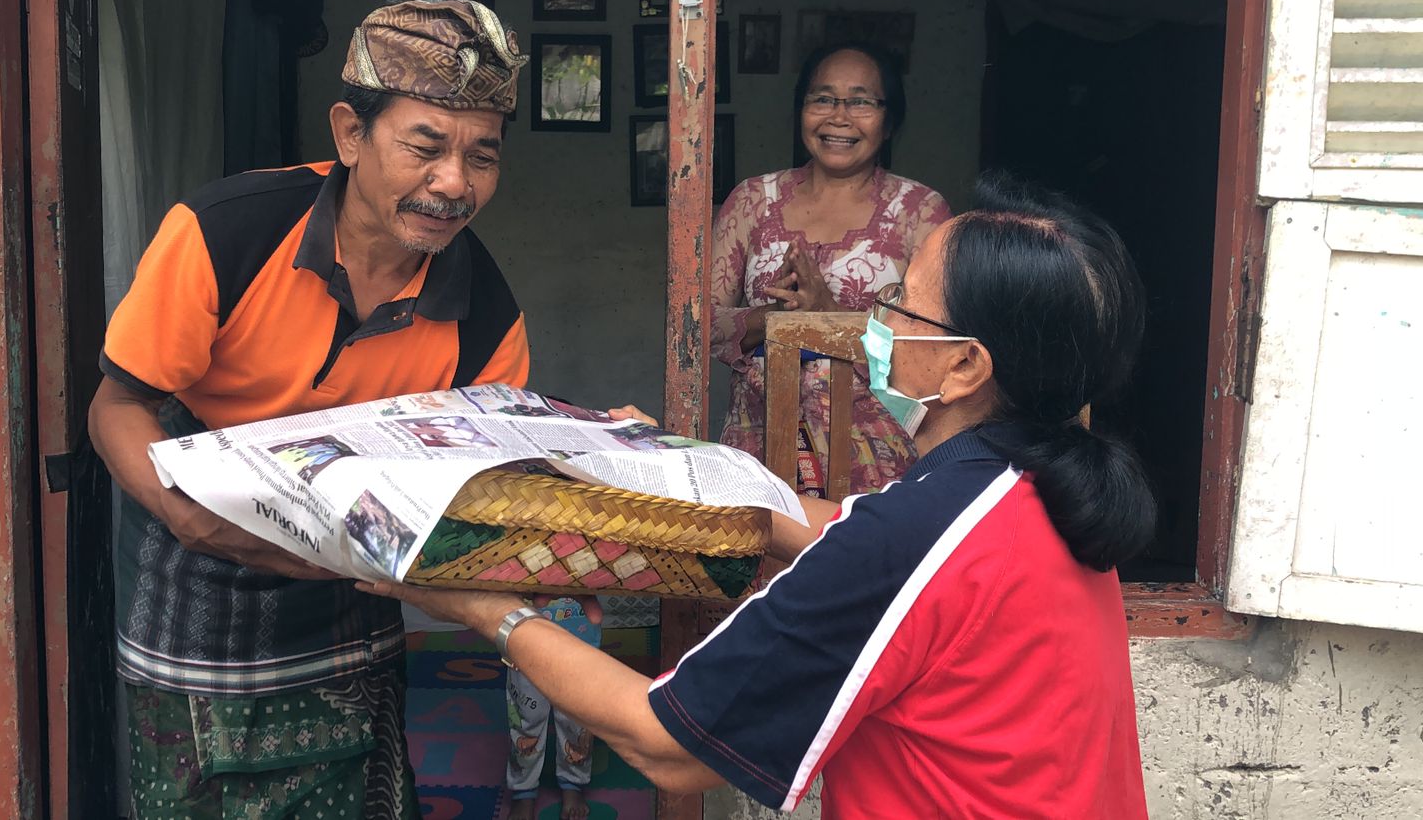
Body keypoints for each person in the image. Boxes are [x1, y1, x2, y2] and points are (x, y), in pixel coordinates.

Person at [363, 172, 1157, 818]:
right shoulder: (1037, 488)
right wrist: (665, 461)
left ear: (963, 368)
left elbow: (663, 744)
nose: (875, 322)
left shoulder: (918, 536)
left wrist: (480, 608)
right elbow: (840, 533)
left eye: (899, 304)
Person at [87, 0, 529, 819]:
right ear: (351, 134)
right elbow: (118, 406)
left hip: (348, 580)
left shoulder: (486, 316)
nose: (453, 185)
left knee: (355, 787)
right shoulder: (227, 233)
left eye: (483, 158)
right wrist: (182, 512)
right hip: (194, 564)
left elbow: (468, 483)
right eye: (425, 147)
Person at [712, 41, 951, 497]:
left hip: (873, 461)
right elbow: (697, 328)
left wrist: (828, 313)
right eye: (822, 98)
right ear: (800, 109)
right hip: (759, 448)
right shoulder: (752, 201)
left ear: (890, 118)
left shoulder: (920, 213)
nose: (839, 117)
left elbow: (936, 349)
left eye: (861, 101)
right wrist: (780, 319)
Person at [503, 597, 602, 819]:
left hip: (579, 645)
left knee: (576, 719)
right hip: (524, 643)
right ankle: (523, 790)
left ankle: (573, 783)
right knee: (526, 717)